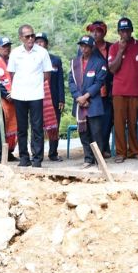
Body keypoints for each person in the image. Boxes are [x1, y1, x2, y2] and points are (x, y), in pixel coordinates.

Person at [7, 24, 54, 167]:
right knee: (22, 128)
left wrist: (34, 83)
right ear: (21, 38)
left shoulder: (42, 52)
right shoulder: (15, 53)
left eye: (32, 35)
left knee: (37, 127)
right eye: (27, 36)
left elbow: (47, 74)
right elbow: (12, 73)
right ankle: (23, 158)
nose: (31, 39)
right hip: (20, 95)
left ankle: (37, 159)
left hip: (36, 94)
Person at [108, 17, 138, 162]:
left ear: (132, 30)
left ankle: (134, 150)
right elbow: (112, 68)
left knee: (133, 123)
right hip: (119, 91)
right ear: (118, 32)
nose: (125, 33)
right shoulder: (113, 47)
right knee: (119, 123)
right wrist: (121, 50)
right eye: (122, 30)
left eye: (127, 30)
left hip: (136, 91)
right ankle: (120, 152)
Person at [68, 35, 108, 168]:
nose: (84, 49)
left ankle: (99, 160)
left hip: (93, 103)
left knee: (96, 132)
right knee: (83, 133)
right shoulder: (74, 62)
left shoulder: (99, 62)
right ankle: (88, 158)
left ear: (92, 47)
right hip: (80, 104)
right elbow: (71, 82)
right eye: (82, 46)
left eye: (86, 46)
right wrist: (78, 97)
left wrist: (85, 96)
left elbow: (99, 82)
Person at [33, 32, 64, 162]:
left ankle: (53, 153)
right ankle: (36, 154)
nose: (40, 44)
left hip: (54, 99)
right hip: (36, 98)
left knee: (54, 127)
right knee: (36, 126)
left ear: (46, 44)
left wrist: (62, 99)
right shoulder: (31, 60)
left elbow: (60, 82)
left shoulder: (56, 60)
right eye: (37, 42)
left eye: (42, 41)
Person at [87, 21, 113, 158]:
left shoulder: (111, 47)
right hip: (92, 92)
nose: (94, 34)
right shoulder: (87, 47)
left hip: (107, 91)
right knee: (93, 123)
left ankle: (104, 148)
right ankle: (96, 151)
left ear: (104, 32)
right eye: (92, 31)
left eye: (97, 31)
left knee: (107, 122)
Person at [0, 37, 17, 162]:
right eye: (4, 46)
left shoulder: (12, 61)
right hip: (0, 101)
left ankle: (9, 153)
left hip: (14, 100)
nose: (7, 48)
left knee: (11, 129)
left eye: (8, 46)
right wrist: (6, 94)